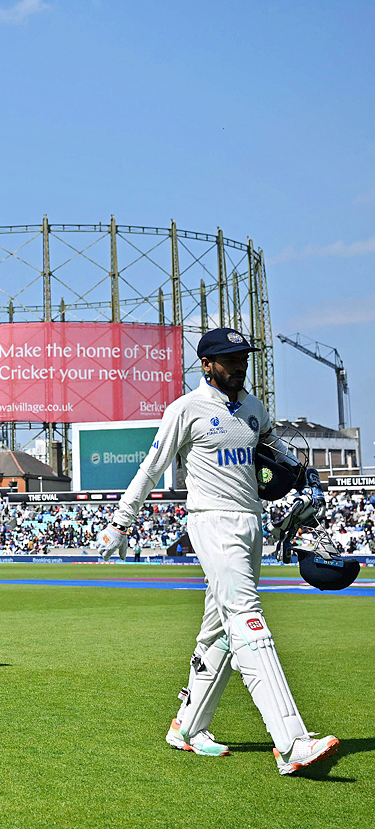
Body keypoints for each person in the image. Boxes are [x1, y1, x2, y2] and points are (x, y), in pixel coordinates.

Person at [112, 327, 339, 775]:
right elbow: (152, 467)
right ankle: (292, 742)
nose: (240, 365)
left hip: (251, 521)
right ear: (207, 364)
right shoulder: (185, 409)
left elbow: (277, 457)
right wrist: (122, 521)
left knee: (217, 631)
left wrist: (306, 482)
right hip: (212, 521)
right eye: (230, 359)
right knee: (247, 620)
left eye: (244, 358)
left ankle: (188, 726)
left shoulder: (254, 409)